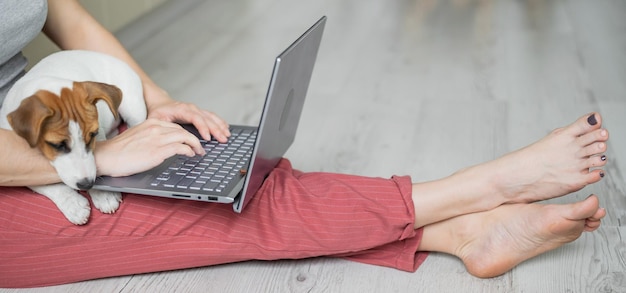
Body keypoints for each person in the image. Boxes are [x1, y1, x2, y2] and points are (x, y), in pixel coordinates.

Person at [0, 0, 609, 288]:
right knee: (180, 213)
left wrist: (155, 100)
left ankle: (457, 233)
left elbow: (62, 13)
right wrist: (101, 159)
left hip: (40, 119)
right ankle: (479, 188)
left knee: (219, 176)